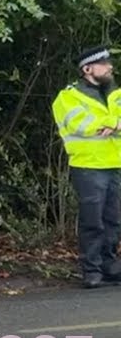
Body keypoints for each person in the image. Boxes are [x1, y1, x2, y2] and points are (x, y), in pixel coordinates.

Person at [52, 45, 121, 289]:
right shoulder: (68, 97)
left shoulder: (116, 93)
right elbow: (80, 123)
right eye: (104, 63)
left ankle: (109, 267)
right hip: (88, 165)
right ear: (87, 69)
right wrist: (114, 122)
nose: (110, 67)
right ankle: (91, 270)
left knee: (114, 220)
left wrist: (112, 124)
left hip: (115, 164)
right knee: (93, 221)